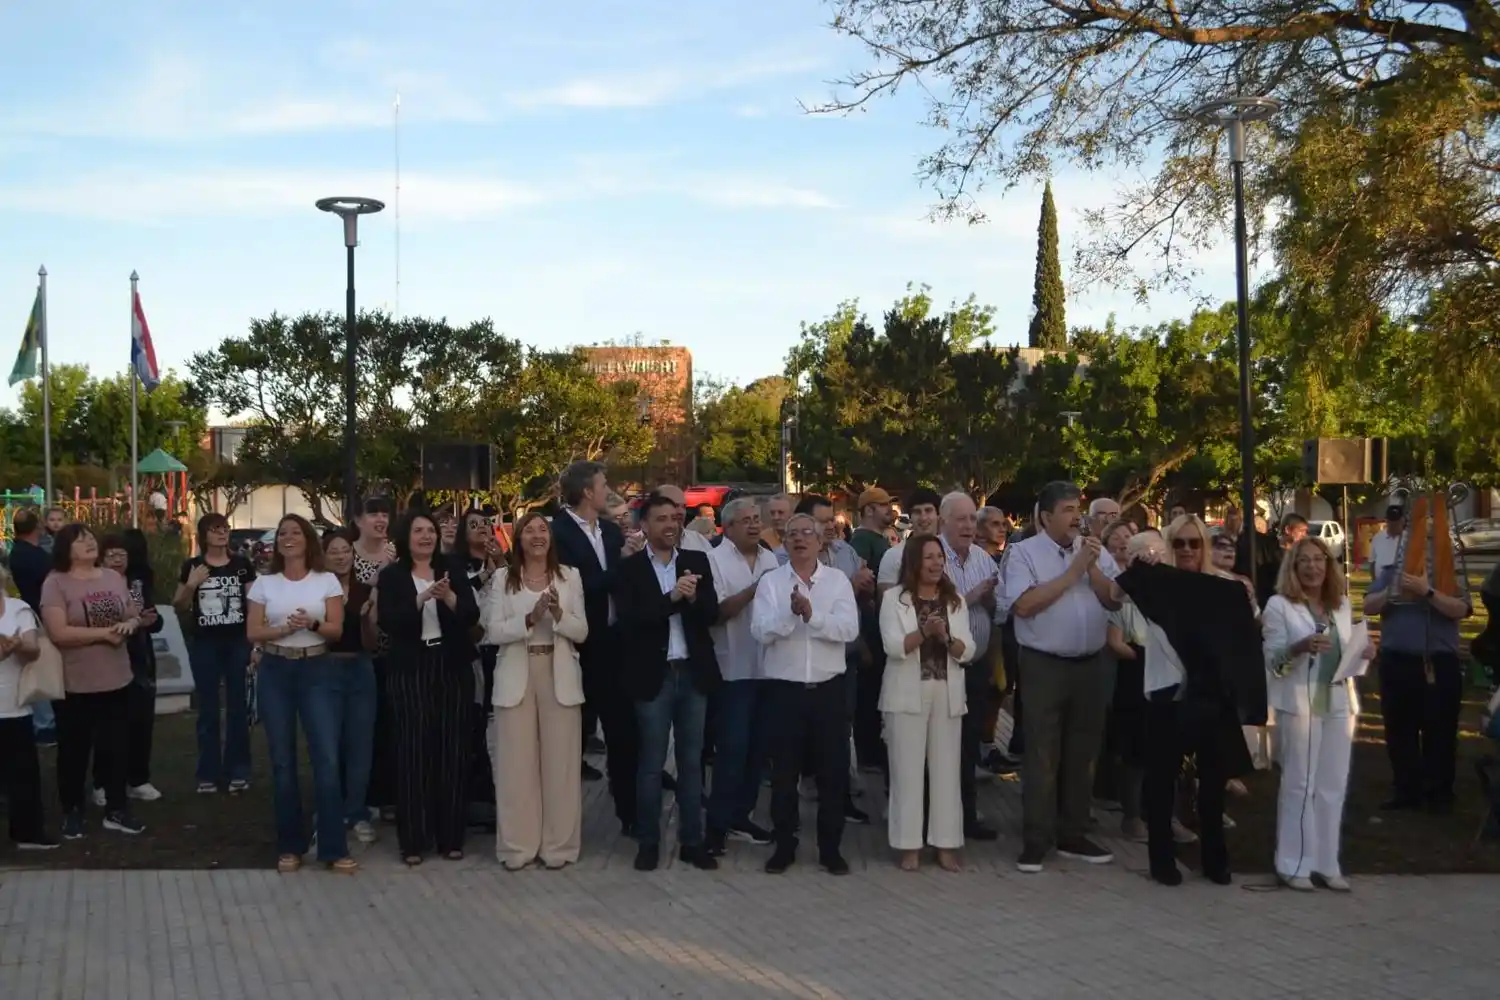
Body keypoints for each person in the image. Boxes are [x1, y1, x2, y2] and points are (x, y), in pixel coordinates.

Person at [999, 481, 1120, 872]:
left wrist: (1093, 567)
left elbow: (1114, 598)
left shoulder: (1093, 552)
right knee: (1041, 753)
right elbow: (1025, 604)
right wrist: (1073, 572)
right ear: (1046, 516)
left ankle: (1073, 832)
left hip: (1091, 663)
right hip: (1044, 664)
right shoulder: (1022, 553)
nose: (1076, 517)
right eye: (1067, 510)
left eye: (1077, 509)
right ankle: (1037, 838)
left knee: (1083, 753)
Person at [616, 493, 722, 871]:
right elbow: (630, 621)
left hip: (692, 673)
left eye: (674, 519)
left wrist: (693, 600)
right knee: (651, 763)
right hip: (653, 676)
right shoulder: (629, 570)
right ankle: (648, 841)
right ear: (644, 526)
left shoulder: (695, 560)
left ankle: (692, 841)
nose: (670, 525)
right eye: (661, 519)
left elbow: (712, 613)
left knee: (692, 761)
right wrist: (673, 598)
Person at [751, 512, 861, 875]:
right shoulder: (771, 582)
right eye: (793, 534)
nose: (800, 539)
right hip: (784, 692)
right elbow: (760, 631)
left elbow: (848, 629)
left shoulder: (837, 581)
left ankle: (830, 848)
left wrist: (812, 616)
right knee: (784, 775)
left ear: (820, 541)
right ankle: (785, 845)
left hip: (828, 690)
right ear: (784, 542)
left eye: (807, 534)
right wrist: (791, 614)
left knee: (832, 773)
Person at [1262, 536, 1372, 891]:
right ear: (1293, 568)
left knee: (1332, 786)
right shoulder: (1279, 606)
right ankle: (1293, 864)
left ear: (1328, 565)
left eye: (1319, 560)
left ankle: (1327, 863)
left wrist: (1364, 652)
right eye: (1304, 561)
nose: (1313, 567)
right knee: (1300, 783)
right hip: (1300, 703)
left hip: (1339, 701)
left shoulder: (1340, 605)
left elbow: (1346, 655)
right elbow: (1272, 662)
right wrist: (1300, 647)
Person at [247, 515, 353, 873]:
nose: (287, 538)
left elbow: (336, 630)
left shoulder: (326, 582)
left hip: (317, 669)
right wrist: (281, 630)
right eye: (282, 534)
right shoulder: (264, 583)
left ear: (308, 541)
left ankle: (333, 847)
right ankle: (290, 846)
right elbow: (253, 631)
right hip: (276, 670)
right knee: (282, 761)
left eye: (295, 533)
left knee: (325, 757)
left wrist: (311, 624)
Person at [375, 511, 480, 865]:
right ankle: (413, 841)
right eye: (418, 531)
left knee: (452, 750)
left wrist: (449, 597)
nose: (426, 537)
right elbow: (389, 622)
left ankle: (451, 837)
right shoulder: (392, 576)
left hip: (450, 666)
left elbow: (470, 616)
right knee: (413, 752)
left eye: (430, 531)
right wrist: (421, 600)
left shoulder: (451, 568)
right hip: (411, 669)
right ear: (406, 537)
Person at [485, 512, 588, 870]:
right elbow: (494, 632)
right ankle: (517, 847)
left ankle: (559, 847)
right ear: (519, 539)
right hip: (517, 672)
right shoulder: (503, 578)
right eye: (529, 530)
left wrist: (558, 614)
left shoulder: (569, 577)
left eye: (542, 529)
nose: (537, 535)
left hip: (558, 674)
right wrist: (529, 619)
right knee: (516, 766)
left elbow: (582, 631)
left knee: (560, 766)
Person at [40, 523, 146, 839]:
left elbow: (131, 614)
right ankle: (72, 811)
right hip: (75, 683)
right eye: (80, 540)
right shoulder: (56, 583)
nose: (88, 543)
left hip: (117, 679)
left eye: (89, 538)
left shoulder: (113, 577)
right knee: (74, 751)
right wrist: (105, 634)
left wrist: (130, 624)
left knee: (116, 748)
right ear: (65, 549)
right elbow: (58, 632)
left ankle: (116, 809)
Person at [879, 534, 973, 872]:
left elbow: (969, 650)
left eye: (939, 558)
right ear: (914, 562)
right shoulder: (895, 599)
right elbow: (892, 646)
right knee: (907, 771)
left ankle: (946, 844)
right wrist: (924, 631)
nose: (935, 564)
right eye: (928, 557)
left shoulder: (955, 601)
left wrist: (945, 637)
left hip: (946, 692)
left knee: (947, 772)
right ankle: (909, 845)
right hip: (906, 694)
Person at [1367, 524, 1474, 814]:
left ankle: (1439, 792)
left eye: (1428, 543)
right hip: (1397, 661)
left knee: (1439, 729)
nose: (1422, 548)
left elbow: (1461, 609)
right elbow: (1368, 606)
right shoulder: (1391, 573)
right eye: (1415, 543)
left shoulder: (1448, 575)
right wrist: (1391, 593)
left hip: (1438, 662)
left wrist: (1427, 592)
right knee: (1399, 729)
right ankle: (1406, 790)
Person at [552, 461, 636, 829]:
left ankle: (629, 811)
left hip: (616, 646)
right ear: (587, 491)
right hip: (578, 647)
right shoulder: (558, 533)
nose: (607, 490)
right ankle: (561, 820)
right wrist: (623, 566)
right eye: (603, 484)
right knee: (571, 737)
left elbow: (624, 581)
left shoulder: (610, 531)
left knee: (622, 732)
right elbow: (579, 587)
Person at [704, 497, 780, 855]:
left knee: (758, 750)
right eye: (745, 520)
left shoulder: (770, 558)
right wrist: (756, 589)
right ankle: (717, 826)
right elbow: (718, 613)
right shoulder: (714, 559)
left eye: (756, 519)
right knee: (731, 750)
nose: (754, 525)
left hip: (768, 669)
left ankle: (742, 816)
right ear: (728, 527)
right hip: (731, 669)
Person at [174, 512, 257, 794]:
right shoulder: (193, 566)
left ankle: (238, 770)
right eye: (215, 529)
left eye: (225, 528)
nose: (222, 533)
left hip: (237, 642)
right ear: (204, 535)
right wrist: (191, 584)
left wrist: (254, 640)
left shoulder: (242, 565)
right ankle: (207, 772)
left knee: (236, 707)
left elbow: (254, 602)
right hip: (205, 644)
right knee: (208, 709)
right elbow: (179, 605)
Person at [93, 531, 164, 805]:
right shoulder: (94, 582)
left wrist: (149, 620)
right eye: (111, 555)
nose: (118, 560)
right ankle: (102, 781)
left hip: (140, 657)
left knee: (141, 721)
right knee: (108, 724)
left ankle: (138, 778)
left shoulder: (139, 580)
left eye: (122, 554)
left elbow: (153, 619)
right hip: (107, 655)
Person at [322, 527, 379, 844]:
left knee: (360, 744)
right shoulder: (316, 588)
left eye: (346, 551)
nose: (341, 556)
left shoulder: (365, 589)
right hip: (325, 669)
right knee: (329, 745)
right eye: (334, 551)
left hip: (359, 667)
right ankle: (330, 811)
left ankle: (356, 811)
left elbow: (371, 643)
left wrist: (369, 620)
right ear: (324, 556)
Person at [0, 562, 57, 849]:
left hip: (13, 703)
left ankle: (27, 833)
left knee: (22, 773)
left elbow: (33, 648)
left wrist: (15, 646)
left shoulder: (17, 608)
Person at [10, 509, 57, 746]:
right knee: (43, 671)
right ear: (37, 527)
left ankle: (44, 723)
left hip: (25, 615)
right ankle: (46, 725)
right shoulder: (38, 557)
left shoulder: (15, 553)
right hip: (40, 617)